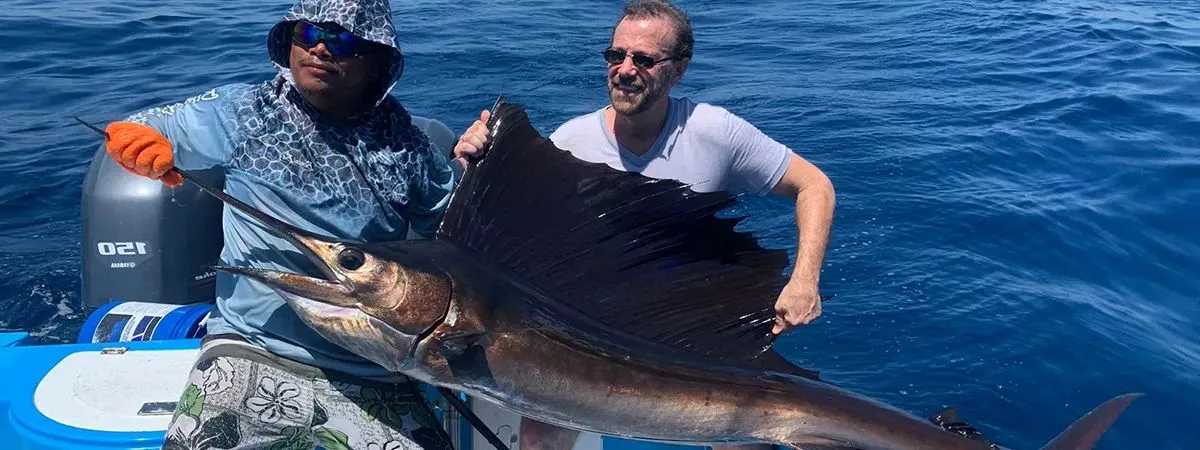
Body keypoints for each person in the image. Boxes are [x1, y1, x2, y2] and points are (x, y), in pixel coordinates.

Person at [452, 1, 836, 449]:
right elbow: (507, 235)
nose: (625, 70)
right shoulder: (570, 143)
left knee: (745, 438)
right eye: (616, 55)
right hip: (592, 332)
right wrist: (474, 165)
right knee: (539, 437)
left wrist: (804, 280)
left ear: (679, 70)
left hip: (696, 336)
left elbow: (814, 185)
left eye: (644, 59)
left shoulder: (715, 132)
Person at [100, 1, 459, 449]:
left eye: (343, 41)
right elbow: (154, 124)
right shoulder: (244, 111)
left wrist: (476, 166)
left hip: (373, 366)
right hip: (249, 347)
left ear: (376, 62)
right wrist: (140, 138)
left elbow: (451, 236)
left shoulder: (409, 146)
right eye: (308, 34)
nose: (320, 49)